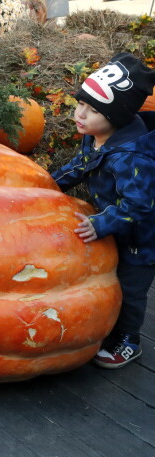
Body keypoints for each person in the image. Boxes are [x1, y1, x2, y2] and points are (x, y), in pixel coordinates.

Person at [50, 52, 155, 369]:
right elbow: (80, 167)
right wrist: (48, 185)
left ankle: (128, 341)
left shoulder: (133, 157)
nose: (80, 114)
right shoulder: (96, 136)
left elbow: (138, 204)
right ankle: (110, 329)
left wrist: (102, 223)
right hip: (113, 223)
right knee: (109, 280)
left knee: (130, 288)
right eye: (80, 103)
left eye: (92, 109)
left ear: (118, 116)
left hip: (141, 237)